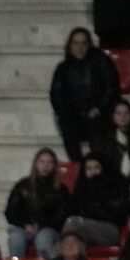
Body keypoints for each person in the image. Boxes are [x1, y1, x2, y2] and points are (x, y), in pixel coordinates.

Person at [50, 28, 119, 163]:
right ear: (70, 45)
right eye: (75, 43)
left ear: (89, 45)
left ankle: (98, 165)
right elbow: (55, 95)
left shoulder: (101, 62)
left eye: (83, 43)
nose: (79, 47)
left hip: (98, 113)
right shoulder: (63, 68)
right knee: (67, 124)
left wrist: (100, 108)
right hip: (73, 115)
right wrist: (67, 112)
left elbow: (111, 87)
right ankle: (77, 165)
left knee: (98, 126)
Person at [6, 148, 69, 259]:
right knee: (16, 237)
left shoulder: (61, 190)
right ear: (36, 164)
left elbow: (62, 216)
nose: (46, 165)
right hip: (25, 227)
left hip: (49, 228)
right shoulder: (23, 185)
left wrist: (40, 225)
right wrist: (25, 224)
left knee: (43, 238)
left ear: (54, 166)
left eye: (50, 162)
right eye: (42, 161)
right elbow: (10, 211)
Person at [62, 154, 130, 247]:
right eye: (88, 169)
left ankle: (55, 259)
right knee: (75, 240)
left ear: (103, 168)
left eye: (96, 167)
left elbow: (118, 213)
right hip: (84, 229)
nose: (93, 172)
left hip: (109, 229)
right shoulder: (81, 187)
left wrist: (90, 209)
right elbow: (73, 209)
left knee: (72, 223)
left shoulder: (114, 185)